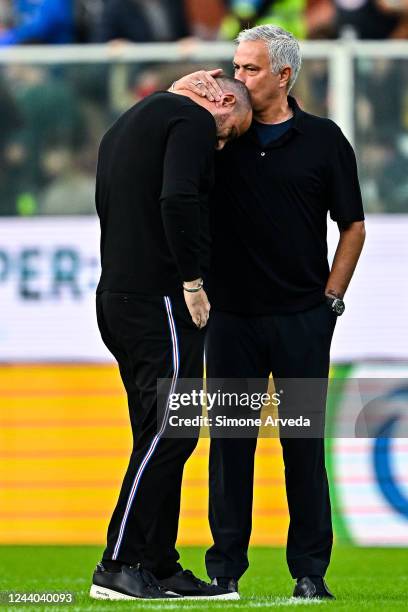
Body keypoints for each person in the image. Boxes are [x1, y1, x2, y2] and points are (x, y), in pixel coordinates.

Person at [174, 24, 366, 599]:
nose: (237, 78)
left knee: (302, 450)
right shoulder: (219, 137)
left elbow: (352, 225)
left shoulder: (325, 140)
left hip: (303, 322)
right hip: (231, 320)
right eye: (235, 65)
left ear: (284, 76)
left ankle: (310, 573)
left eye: (250, 69)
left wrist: (330, 299)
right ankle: (223, 573)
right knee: (230, 450)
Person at [91, 76, 252, 601]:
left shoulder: (126, 123)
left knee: (157, 435)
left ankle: (158, 563)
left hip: (117, 297)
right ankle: (117, 562)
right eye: (230, 133)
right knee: (175, 432)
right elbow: (178, 197)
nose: (222, 144)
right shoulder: (192, 120)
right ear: (223, 100)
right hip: (159, 298)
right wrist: (193, 281)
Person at [0, 0, 74, 45]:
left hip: (55, 58)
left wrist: (10, 37)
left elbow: (40, 31)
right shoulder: (21, 2)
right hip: (25, 53)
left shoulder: (54, 2)